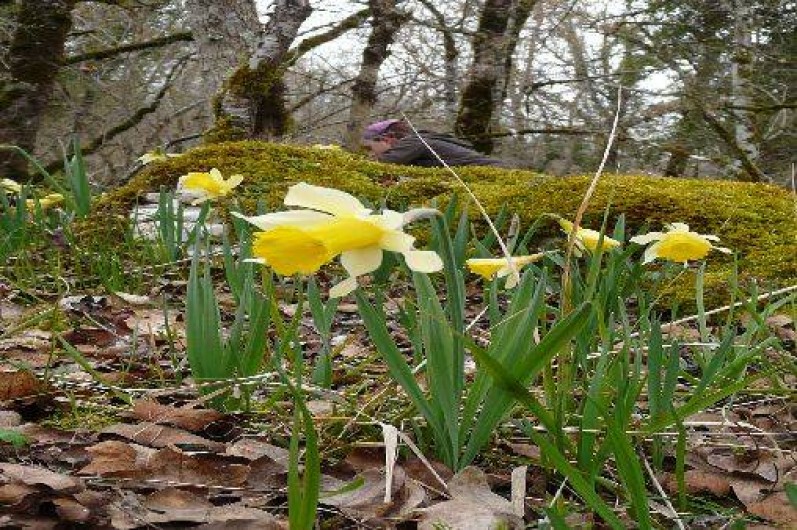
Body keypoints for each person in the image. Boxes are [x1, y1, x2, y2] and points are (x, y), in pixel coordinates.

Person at [362, 119, 508, 168]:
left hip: (495, 170)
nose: (369, 152)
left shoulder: (413, 141)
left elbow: (384, 163)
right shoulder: (419, 140)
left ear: (387, 138)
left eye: (369, 148)